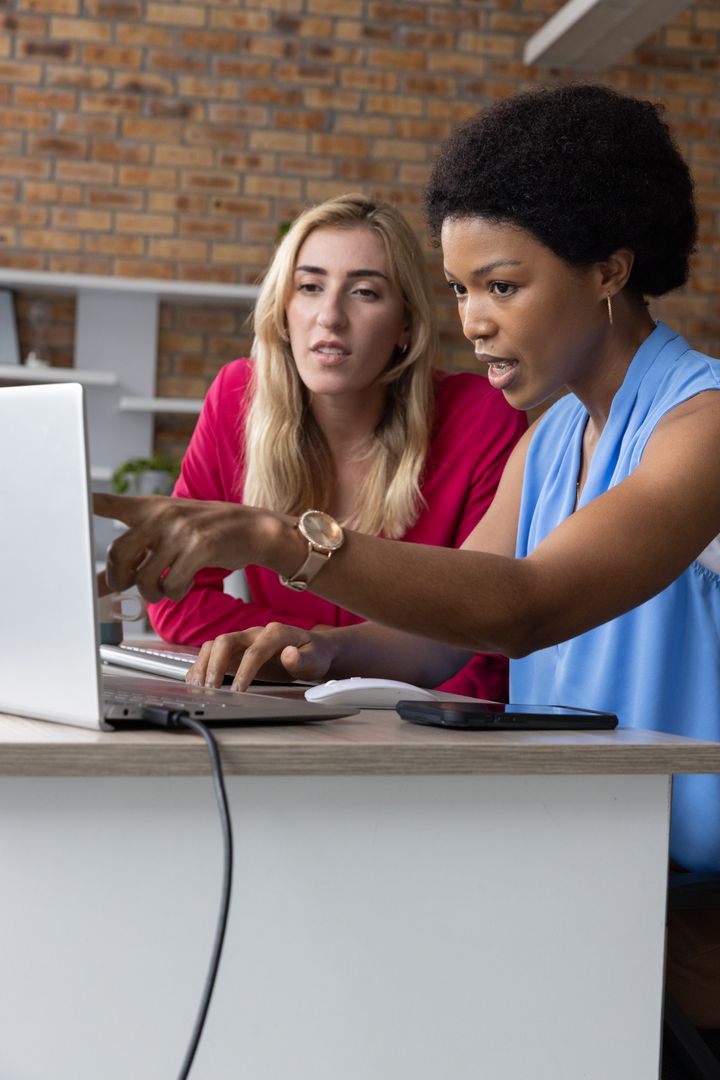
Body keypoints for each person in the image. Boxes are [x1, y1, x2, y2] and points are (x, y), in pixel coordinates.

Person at [96, 85, 720, 1026]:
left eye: (503, 286)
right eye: (463, 289)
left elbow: (523, 606)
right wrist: (329, 651)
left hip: (676, 886)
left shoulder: (703, 424)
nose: (473, 320)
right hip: (592, 845)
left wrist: (280, 537)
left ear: (607, 269)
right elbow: (435, 644)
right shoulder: (555, 439)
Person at [145, 193, 527, 699]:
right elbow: (177, 593)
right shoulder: (238, 397)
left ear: (406, 326)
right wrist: (292, 653)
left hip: (426, 722)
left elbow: (488, 640)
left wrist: (318, 652)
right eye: (309, 286)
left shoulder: (483, 416)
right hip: (281, 706)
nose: (330, 316)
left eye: (364, 292)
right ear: (283, 312)